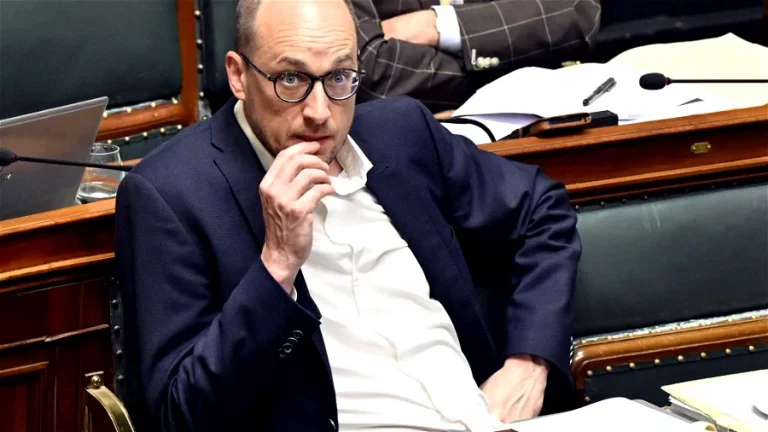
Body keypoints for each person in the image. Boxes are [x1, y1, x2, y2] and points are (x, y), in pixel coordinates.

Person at [114, 0, 581, 430]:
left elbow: (542, 210)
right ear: (238, 75)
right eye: (291, 79)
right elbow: (180, 414)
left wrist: (529, 362)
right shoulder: (169, 193)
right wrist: (277, 267)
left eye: (339, 78)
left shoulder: (401, 132)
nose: (320, 113)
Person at [354, 0, 602, 110]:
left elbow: (575, 10)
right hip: (408, 145)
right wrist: (511, 57)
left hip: (548, 120)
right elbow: (367, 70)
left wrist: (441, 25)